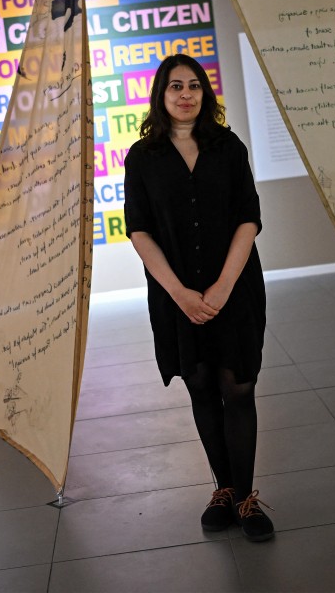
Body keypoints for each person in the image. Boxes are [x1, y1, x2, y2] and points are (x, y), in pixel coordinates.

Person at [123, 54, 274, 542]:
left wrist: (223, 287)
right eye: (175, 86)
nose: (186, 94)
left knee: (238, 386)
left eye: (194, 85)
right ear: (161, 95)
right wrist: (181, 294)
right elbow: (139, 230)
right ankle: (224, 490)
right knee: (202, 385)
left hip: (235, 287)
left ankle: (247, 498)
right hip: (176, 294)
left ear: (205, 93)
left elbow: (248, 218)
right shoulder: (142, 158)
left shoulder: (228, 148)